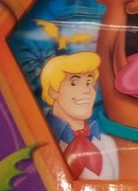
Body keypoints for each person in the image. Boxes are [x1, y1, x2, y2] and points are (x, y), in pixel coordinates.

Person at [40, 52, 119, 180]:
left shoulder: (107, 143)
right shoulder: (37, 138)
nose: (87, 90)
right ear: (53, 91)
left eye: (88, 82)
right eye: (74, 83)